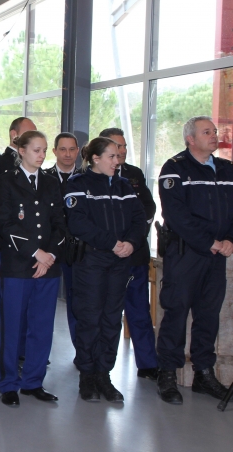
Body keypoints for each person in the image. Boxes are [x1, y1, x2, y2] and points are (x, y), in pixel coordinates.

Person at [156, 116, 233, 405]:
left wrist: (229, 240)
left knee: (208, 314)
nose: (214, 136)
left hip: (216, 256)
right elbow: (176, 215)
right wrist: (209, 242)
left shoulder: (226, 169)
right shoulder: (175, 168)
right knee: (176, 313)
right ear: (190, 139)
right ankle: (167, 373)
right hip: (186, 254)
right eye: (207, 132)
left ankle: (203, 372)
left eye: (214, 131)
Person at [64, 137, 147, 403]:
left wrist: (131, 244)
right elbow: (79, 224)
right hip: (91, 262)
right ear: (95, 159)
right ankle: (87, 375)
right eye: (111, 156)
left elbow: (138, 219)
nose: (117, 160)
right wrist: (112, 243)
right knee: (90, 318)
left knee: (112, 319)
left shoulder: (124, 186)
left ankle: (104, 373)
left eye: (118, 155)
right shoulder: (77, 185)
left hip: (120, 262)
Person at [0, 131, 66, 407]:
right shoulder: (5, 182)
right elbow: (6, 224)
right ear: (21, 150)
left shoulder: (50, 182)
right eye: (36, 149)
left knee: (42, 326)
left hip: (47, 267)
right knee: (12, 326)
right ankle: (9, 383)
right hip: (18, 265)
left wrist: (49, 255)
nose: (41, 155)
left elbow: (60, 223)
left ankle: (33, 381)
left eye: (44, 150)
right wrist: (35, 252)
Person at [99, 127, 158, 380]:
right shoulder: (87, 177)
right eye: (116, 147)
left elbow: (147, 207)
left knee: (139, 310)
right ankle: (98, 367)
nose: (121, 151)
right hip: (105, 256)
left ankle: (147, 363)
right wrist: (114, 240)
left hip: (133, 254)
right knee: (104, 314)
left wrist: (131, 239)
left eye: (123, 147)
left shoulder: (134, 174)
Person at [42, 132, 80, 347]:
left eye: (72, 149)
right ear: (55, 151)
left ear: (78, 151)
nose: (67, 154)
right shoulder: (45, 179)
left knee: (78, 302)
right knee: (44, 303)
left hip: (77, 249)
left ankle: (80, 349)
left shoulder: (86, 179)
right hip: (50, 248)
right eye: (62, 149)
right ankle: (36, 350)